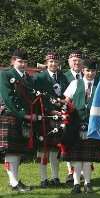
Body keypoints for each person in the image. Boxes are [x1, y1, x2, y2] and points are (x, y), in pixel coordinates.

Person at [62, 59, 100, 194]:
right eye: (87, 70)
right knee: (76, 158)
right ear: (83, 71)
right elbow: (66, 102)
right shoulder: (75, 83)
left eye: (92, 71)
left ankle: (88, 183)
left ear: (96, 72)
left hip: (92, 126)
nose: (90, 73)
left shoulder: (99, 86)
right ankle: (76, 184)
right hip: (75, 125)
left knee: (87, 158)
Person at [0, 49, 36, 192]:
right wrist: (24, 115)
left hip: (21, 117)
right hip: (9, 115)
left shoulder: (27, 77)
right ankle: (14, 182)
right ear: (13, 61)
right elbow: (8, 99)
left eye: (25, 62)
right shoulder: (6, 75)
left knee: (16, 151)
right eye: (20, 61)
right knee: (10, 151)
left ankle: (14, 181)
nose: (22, 64)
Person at [33, 51, 69, 188]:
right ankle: (43, 179)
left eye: (55, 62)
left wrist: (62, 109)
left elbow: (66, 95)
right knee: (44, 148)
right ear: (46, 63)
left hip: (60, 115)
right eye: (51, 62)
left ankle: (55, 177)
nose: (53, 64)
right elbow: (37, 98)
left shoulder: (63, 77)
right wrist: (48, 110)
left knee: (55, 149)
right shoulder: (39, 77)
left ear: (59, 63)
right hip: (45, 116)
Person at [63, 50, 84, 185]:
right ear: (69, 62)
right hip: (68, 116)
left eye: (78, 60)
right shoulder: (64, 76)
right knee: (69, 144)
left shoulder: (87, 75)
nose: (76, 63)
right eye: (73, 60)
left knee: (83, 143)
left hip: (83, 116)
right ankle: (71, 172)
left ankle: (82, 172)